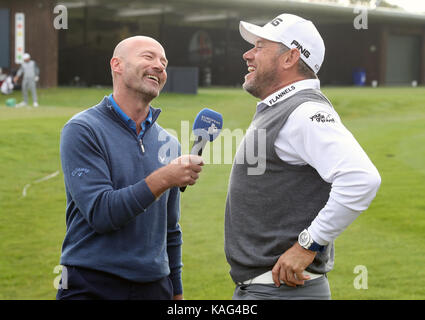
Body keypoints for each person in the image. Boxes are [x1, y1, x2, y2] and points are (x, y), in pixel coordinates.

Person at [224, 13, 381, 300]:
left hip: (283, 291)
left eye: (260, 46)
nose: (248, 54)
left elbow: (362, 179)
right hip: (267, 289)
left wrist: (308, 245)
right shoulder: (285, 107)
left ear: (289, 58)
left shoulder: (304, 112)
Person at [57, 36, 204, 300]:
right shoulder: (83, 129)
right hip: (91, 283)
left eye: (164, 62)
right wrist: (164, 178)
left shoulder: (169, 143)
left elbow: (170, 228)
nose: (159, 66)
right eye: (149, 57)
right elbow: (101, 212)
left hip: (155, 287)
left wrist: (176, 291)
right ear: (117, 65)